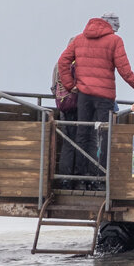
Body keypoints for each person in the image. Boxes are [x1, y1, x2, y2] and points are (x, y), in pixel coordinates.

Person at [57, 13, 134, 175]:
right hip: (104, 97)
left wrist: (70, 85)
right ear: (112, 27)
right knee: (103, 136)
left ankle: (81, 179)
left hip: (84, 95)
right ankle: (100, 178)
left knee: (83, 135)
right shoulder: (115, 41)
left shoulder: (80, 39)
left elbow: (63, 62)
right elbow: (125, 71)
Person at [52, 37, 79, 176]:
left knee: (67, 144)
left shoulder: (58, 64)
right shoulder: (78, 64)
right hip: (78, 108)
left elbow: (53, 87)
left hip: (63, 106)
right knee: (81, 143)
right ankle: (78, 178)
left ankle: (65, 179)